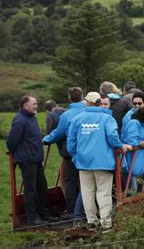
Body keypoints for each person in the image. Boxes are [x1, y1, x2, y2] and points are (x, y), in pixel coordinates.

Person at [67, 92, 132, 232]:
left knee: (87, 192)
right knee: (103, 193)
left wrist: (75, 157)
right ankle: (106, 223)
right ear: (98, 102)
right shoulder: (107, 118)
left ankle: (92, 221)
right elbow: (113, 137)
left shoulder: (77, 118)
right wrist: (120, 146)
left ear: (87, 102)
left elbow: (71, 142)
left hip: (83, 162)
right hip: (103, 161)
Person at [6, 95, 58, 226]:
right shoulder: (19, 120)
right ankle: (32, 219)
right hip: (26, 159)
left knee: (42, 186)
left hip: (36, 158)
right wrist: (21, 153)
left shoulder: (32, 117)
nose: (36, 106)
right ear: (25, 106)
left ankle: (43, 215)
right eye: (34, 104)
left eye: (36, 103)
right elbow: (11, 142)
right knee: (31, 189)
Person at [43, 87, 86, 220]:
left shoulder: (67, 115)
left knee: (71, 181)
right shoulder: (87, 110)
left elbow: (59, 133)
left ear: (69, 98)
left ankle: (73, 210)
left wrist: (46, 139)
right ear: (83, 96)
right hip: (89, 153)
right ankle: (89, 209)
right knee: (88, 182)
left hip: (72, 154)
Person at [44, 100, 68, 199]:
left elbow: (50, 134)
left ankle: (73, 208)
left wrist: (46, 140)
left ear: (46, 110)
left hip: (65, 151)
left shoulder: (50, 116)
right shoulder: (66, 111)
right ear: (56, 105)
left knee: (64, 180)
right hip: (76, 150)